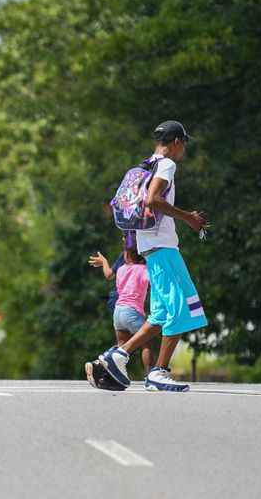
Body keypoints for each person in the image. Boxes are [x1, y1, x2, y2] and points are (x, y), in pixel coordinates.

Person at [90, 120, 208, 392]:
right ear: (177, 141)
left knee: (161, 313)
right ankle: (159, 372)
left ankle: (118, 355)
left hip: (149, 248)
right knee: (182, 308)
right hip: (164, 249)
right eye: (184, 144)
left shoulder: (145, 165)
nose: (184, 150)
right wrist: (188, 218)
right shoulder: (167, 165)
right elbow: (152, 200)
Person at [88, 235, 154, 374]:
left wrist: (104, 262)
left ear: (128, 255)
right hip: (133, 312)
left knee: (121, 347)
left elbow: (111, 277)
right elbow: (153, 282)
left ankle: (105, 368)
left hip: (118, 312)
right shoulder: (144, 270)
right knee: (146, 343)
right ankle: (150, 374)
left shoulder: (122, 269)